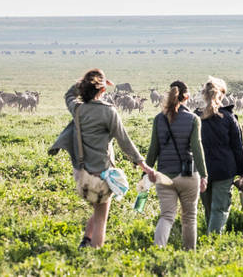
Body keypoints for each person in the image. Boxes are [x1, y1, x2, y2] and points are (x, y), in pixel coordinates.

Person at [54, 68, 154, 248]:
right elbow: (124, 141)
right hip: (101, 173)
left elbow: (69, 95)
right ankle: (95, 254)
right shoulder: (109, 112)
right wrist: (142, 164)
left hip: (82, 173)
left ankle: (86, 240)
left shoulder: (78, 109)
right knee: (102, 217)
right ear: (102, 90)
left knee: (97, 207)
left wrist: (84, 82)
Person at [145, 81, 208, 250]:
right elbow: (197, 148)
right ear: (186, 97)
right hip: (188, 176)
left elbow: (153, 149)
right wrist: (204, 175)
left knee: (166, 216)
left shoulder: (159, 119)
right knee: (189, 218)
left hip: (164, 175)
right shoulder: (193, 119)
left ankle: (158, 250)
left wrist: (145, 173)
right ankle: (189, 254)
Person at [195, 77, 243, 234]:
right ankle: (213, 240)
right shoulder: (229, 118)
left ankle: (208, 237)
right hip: (224, 169)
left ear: (204, 95)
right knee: (220, 208)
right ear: (222, 95)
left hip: (201, 169)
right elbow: (238, 147)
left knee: (208, 207)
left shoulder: (195, 117)